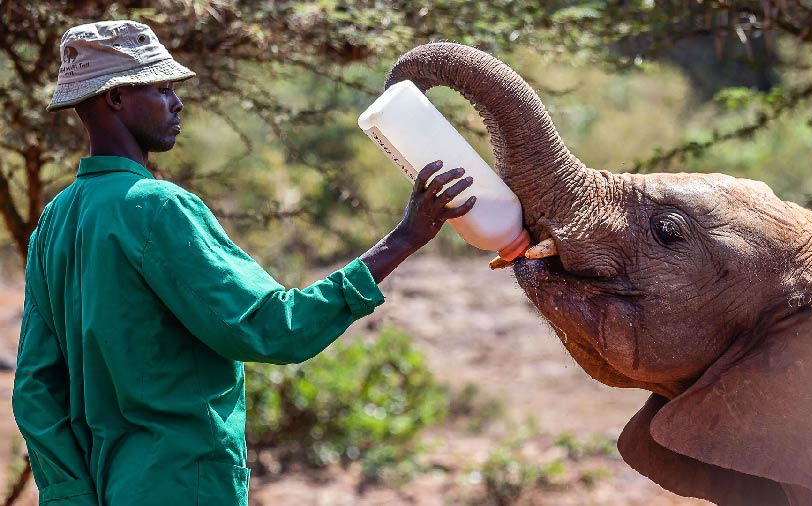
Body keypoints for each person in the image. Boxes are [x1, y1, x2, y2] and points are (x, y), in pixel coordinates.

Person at [11, 20, 475, 505]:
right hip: (181, 484)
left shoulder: (53, 223)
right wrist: (404, 238)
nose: (178, 103)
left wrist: (71, 496)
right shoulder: (158, 208)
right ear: (115, 98)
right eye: (162, 87)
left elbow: (35, 390)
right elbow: (276, 327)